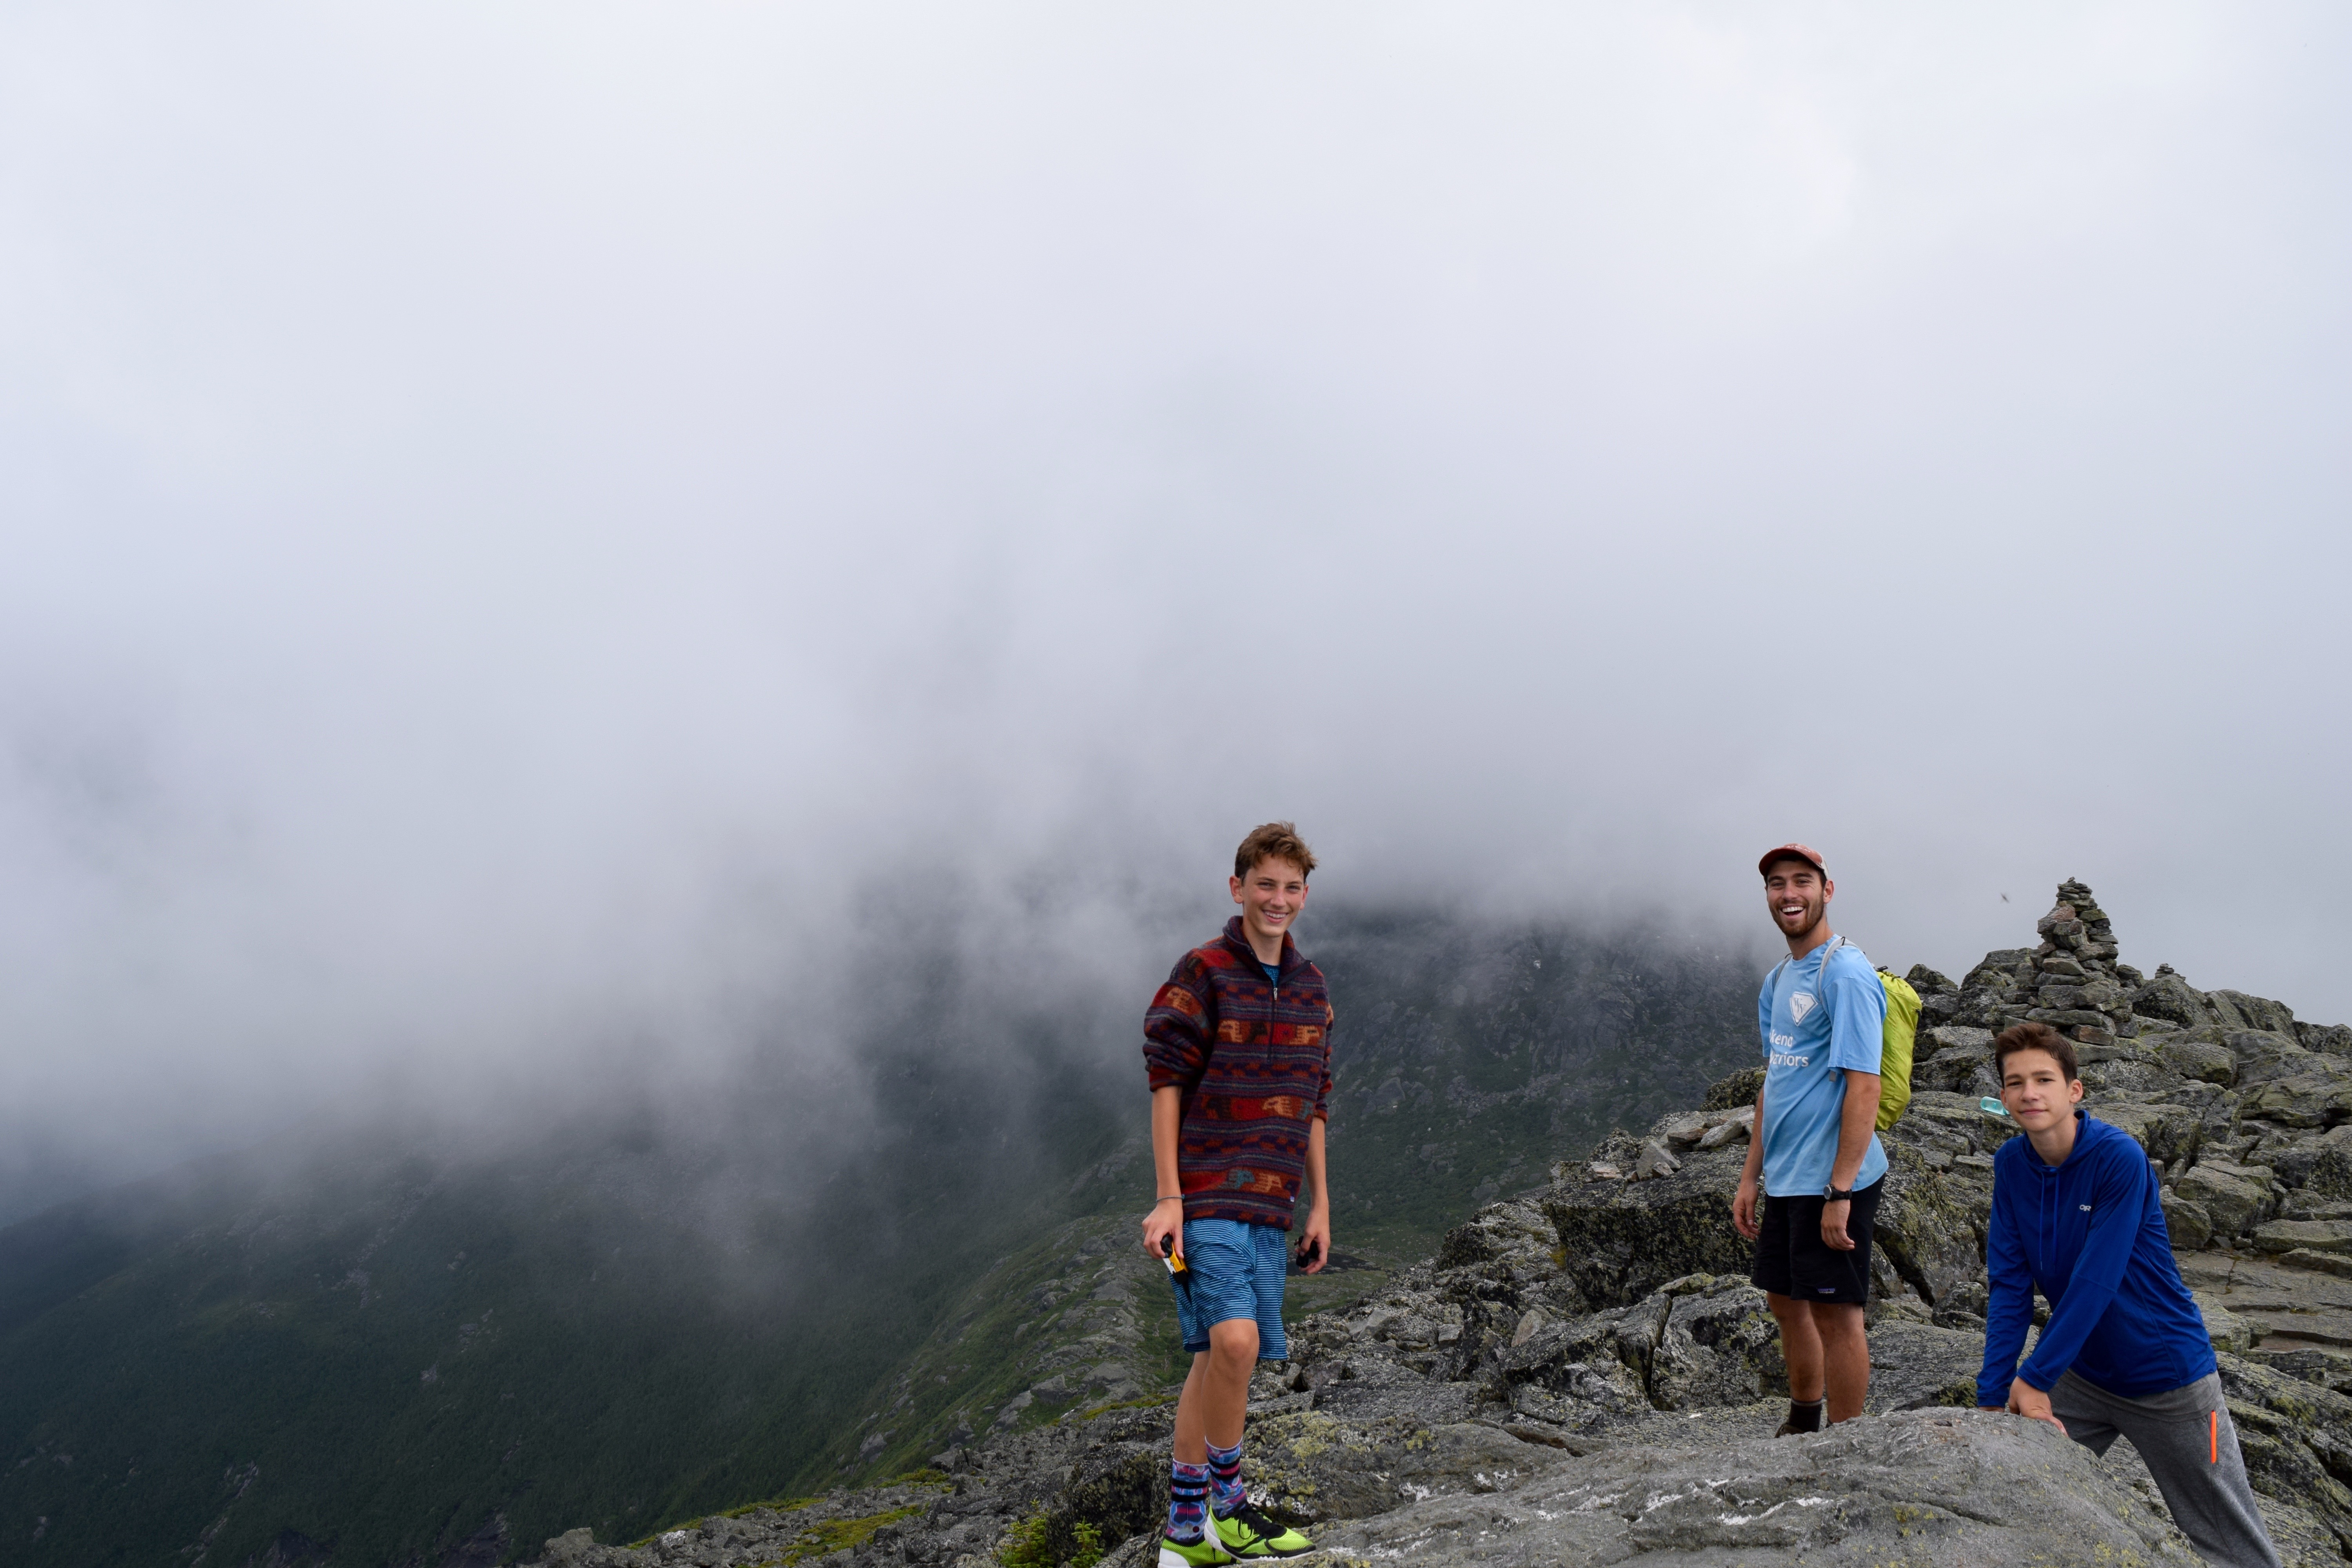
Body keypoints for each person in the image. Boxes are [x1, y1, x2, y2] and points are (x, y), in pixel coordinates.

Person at [1976, 1022, 2280, 1568]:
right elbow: (2010, 1286)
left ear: (2074, 1091)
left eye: (2044, 1079)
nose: (2029, 1093)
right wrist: (1993, 1396)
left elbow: (2097, 1280)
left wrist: (2034, 1378)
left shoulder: (2118, 1158)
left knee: (2232, 1545)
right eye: (2016, 1082)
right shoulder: (2011, 1166)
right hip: (2082, 1376)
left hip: (2169, 1379)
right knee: (2016, 1501)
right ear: (2003, 1095)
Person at [1140, 823, 1333, 1568]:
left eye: (1291, 888)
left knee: (1216, 1363)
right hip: (1206, 1194)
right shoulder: (1205, 971)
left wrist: (1319, 1206)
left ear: (1305, 895)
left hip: (1271, 1205)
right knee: (1237, 1343)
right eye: (1265, 885)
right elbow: (1167, 1082)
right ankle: (1231, 1509)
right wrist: (1170, 1198)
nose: (1278, 900)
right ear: (1238, 888)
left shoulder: (1313, 989)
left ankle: (1187, 1535)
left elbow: (1315, 1101)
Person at [1731, 842, 1889, 1435]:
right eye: (1777, 883)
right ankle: (1803, 1421)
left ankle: (1845, 1444)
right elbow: (1775, 1081)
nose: (1789, 893)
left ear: (1827, 890)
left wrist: (1840, 1192)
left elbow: (1865, 1086)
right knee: (1785, 1300)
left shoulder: (1845, 973)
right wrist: (1751, 1176)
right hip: (1787, 1174)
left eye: (1802, 881)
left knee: (1836, 1313)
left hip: (1833, 1178)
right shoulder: (1779, 979)